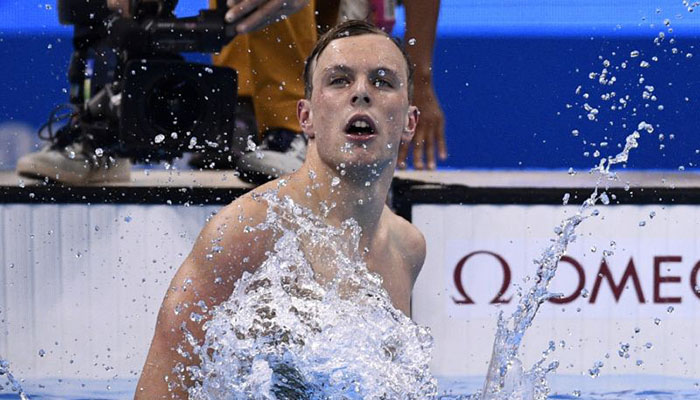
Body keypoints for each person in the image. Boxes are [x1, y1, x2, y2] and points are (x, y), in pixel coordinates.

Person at [135, 20, 426, 398]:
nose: (361, 93)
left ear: (409, 122)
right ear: (306, 117)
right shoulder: (249, 229)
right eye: (339, 80)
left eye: (382, 81)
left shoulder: (406, 247)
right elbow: (161, 386)